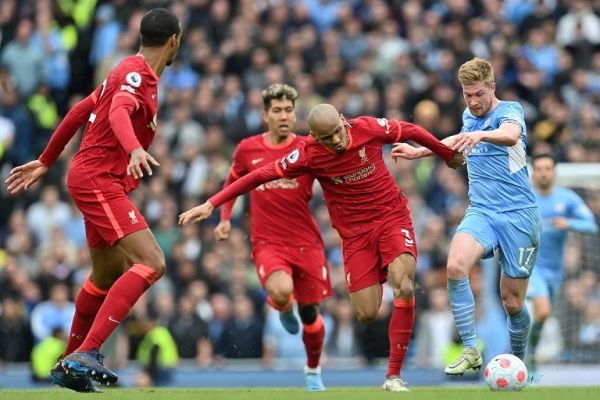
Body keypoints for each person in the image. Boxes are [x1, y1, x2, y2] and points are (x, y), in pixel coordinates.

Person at [179, 103, 464, 391]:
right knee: (366, 313)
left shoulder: (368, 127)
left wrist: (446, 154)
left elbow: (410, 129)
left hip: (392, 217)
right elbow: (258, 176)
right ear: (315, 136)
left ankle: (393, 375)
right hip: (355, 236)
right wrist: (211, 204)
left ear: (343, 121)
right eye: (327, 138)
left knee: (403, 283)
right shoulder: (308, 154)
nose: (337, 140)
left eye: (338, 132)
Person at [5, 8, 181, 391]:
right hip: (100, 181)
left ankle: (68, 364)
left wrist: (46, 160)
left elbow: (79, 111)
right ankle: (90, 350)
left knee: (105, 276)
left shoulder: (124, 70)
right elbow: (118, 113)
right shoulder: (137, 77)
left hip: (92, 178)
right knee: (152, 262)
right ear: (174, 41)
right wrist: (134, 148)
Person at [391, 57, 542, 375]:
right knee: (455, 264)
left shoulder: (509, 111)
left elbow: (510, 135)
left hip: (518, 215)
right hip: (482, 211)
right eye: (467, 94)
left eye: (478, 94)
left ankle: (518, 361)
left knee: (512, 302)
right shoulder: (467, 116)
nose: (473, 101)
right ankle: (471, 349)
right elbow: (457, 144)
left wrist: (481, 136)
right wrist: (422, 150)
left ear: (492, 88)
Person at [214, 83, 332, 391]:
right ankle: (282, 307)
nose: (283, 116)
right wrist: (225, 218)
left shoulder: (310, 147)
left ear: (296, 115)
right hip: (268, 242)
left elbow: (334, 180)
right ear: (265, 115)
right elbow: (232, 182)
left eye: (289, 110)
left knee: (310, 314)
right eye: (277, 111)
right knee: (281, 291)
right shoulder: (248, 149)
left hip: (307, 242)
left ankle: (313, 370)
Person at [526, 153, 598, 372]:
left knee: (543, 316)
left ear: (555, 171)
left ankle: (530, 352)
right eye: (539, 169)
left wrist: (569, 223)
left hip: (555, 270)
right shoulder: (525, 197)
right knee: (544, 310)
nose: (544, 173)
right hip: (530, 265)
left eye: (548, 168)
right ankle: (527, 354)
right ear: (534, 172)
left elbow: (591, 226)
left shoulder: (567, 199)